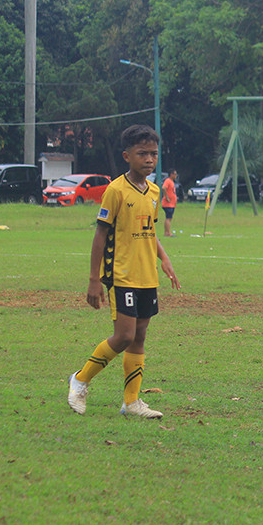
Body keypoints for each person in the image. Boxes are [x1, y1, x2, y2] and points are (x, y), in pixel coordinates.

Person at [67, 125, 181, 419]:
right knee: (124, 336)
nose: (149, 159)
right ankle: (80, 380)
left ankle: (131, 402)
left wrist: (164, 258)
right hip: (121, 274)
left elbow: (149, 230)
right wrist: (94, 280)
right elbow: (100, 235)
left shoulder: (154, 191)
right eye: (142, 153)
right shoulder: (116, 191)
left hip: (147, 275)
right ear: (126, 156)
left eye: (153, 154)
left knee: (139, 336)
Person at [161, 169, 178, 237]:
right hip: (168, 204)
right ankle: (169, 233)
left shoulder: (171, 182)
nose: (176, 176)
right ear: (171, 174)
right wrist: (167, 197)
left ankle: (166, 232)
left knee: (169, 218)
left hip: (172, 204)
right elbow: (163, 188)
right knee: (168, 218)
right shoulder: (168, 181)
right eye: (175, 174)